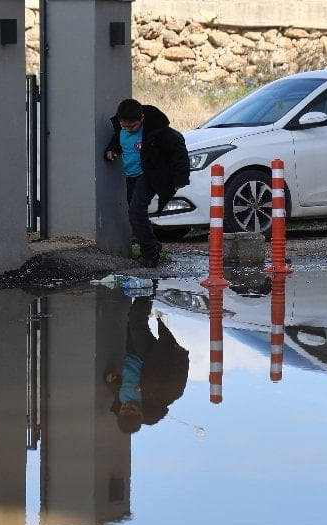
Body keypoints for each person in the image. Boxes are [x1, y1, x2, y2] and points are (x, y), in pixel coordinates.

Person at [104, 98, 190, 268]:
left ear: (142, 118)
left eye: (132, 126)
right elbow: (118, 140)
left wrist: (180, 178)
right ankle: (152, 244)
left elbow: (178, 152)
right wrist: (111, 150)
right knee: (135, 215)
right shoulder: (121, 130)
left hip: (148, 176)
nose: (128, 130)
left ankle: (149, 254)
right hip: (130, 177)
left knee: (136, 212)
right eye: (124, 126)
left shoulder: (156, 132)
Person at [103, 295, 190, 433]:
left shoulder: (120, 399)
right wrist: (179, 355)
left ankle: (144, 290)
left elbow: (116, 385)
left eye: (124, 408)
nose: (128, 405)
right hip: (150, 357)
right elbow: (178, 384)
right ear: (141, 414)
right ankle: (147, 287)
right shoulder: (157, 399)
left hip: (130, 353)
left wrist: (110, 379)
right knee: (136, 322)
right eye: (132, 409)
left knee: (130, 322)